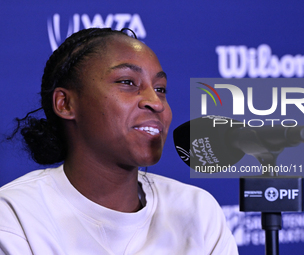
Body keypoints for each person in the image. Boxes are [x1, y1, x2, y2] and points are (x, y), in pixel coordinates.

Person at [0, 28, 238, 254]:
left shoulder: (197, 210)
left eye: (160, 89)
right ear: (65, 103)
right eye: (127, 82)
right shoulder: (15, 215)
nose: (155, 102)